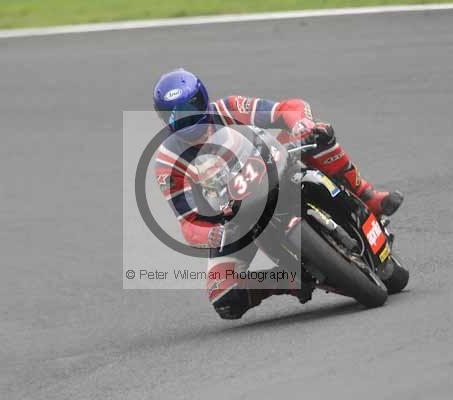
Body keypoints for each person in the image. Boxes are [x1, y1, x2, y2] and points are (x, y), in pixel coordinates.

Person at [153, 68, 403, 319]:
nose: (187, 120)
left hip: (275, 167)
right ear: (163, 119)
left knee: (320, 133)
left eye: (191, 108)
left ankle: (368, 195)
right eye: (176, 116)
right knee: (224, 297)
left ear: (203, 99)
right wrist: (213, 233)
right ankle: (292, 280)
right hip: (235, 219)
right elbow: (188, 223)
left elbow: (287, 109)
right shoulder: (168, 162)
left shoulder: (229, 108)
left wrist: (300, 124)